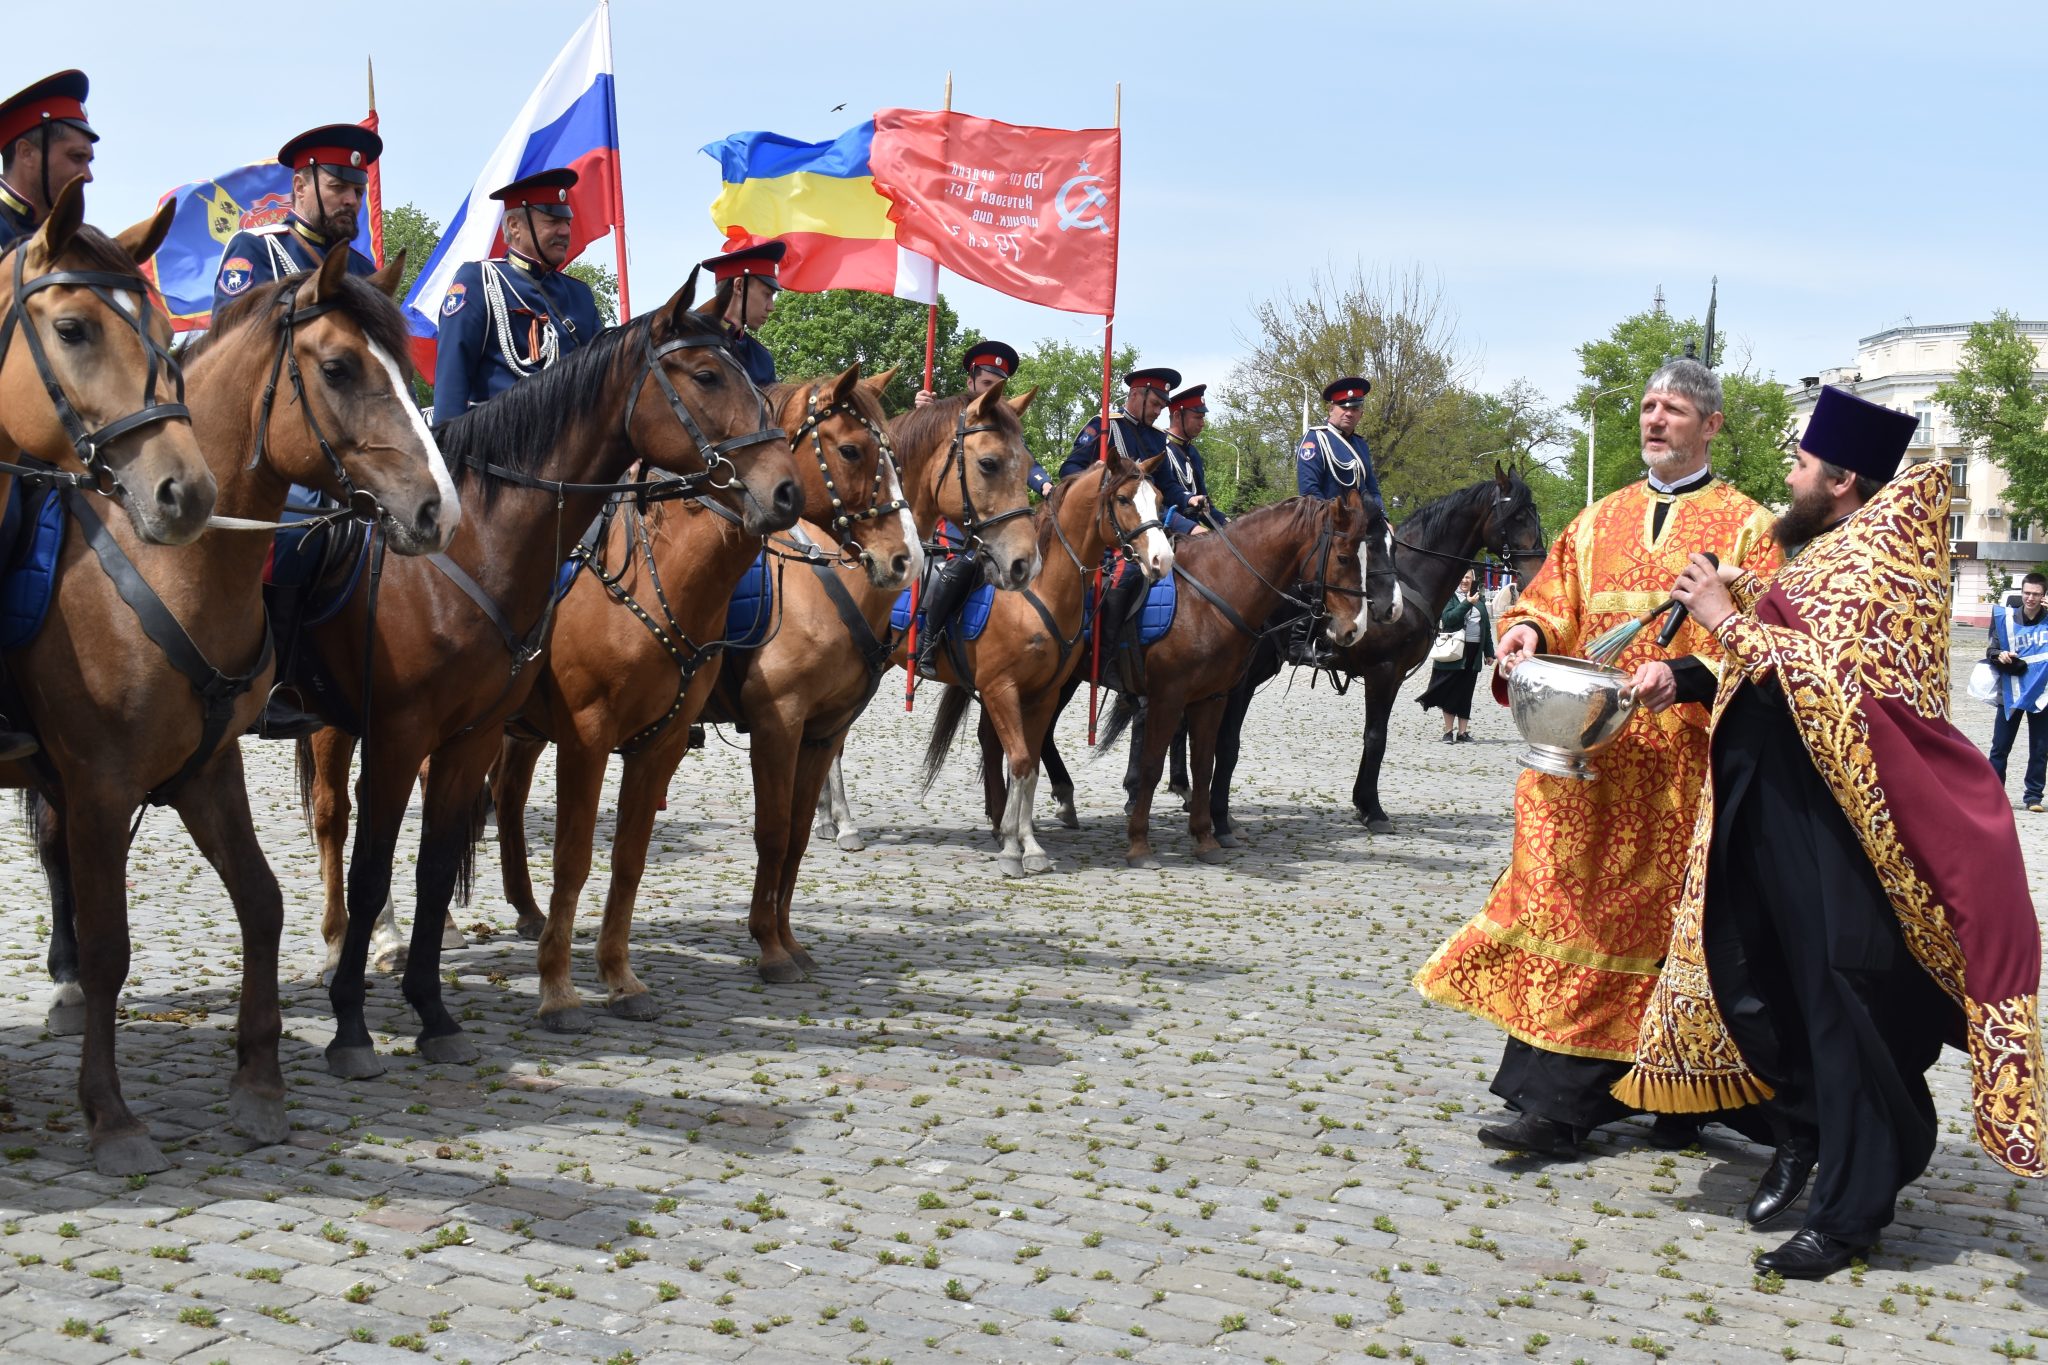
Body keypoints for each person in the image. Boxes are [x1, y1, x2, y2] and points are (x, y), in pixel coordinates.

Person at [1619, 384, 2046, 1280]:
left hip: (1841, 834)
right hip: (1770, 818)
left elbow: (1844, 690)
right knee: (1756, 985)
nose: (1788, 476)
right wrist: (1708, 651)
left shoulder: (1880, 563)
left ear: (1843, 479)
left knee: (1844, 1007)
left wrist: (1728, 619)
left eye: (1802, 464)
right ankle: (1806, 1136)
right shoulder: (1828, 551)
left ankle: (1851, 1212)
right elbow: (1785, 649)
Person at [1413, 357, 1781, 1159]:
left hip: (1684, 776)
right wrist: (1525, 633)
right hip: (1591, 766)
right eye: (1648, 407)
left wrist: (1681, 673)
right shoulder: (1599, 518)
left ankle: (1668, 1092)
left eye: (1674, 409)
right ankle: (1552, 1101)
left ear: (1711, 425)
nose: (1654, 420)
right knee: (1568, 914)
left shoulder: (1752, 527)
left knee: (1671, 932)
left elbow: (1768, 646)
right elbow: (1553, 598)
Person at [0, 70, 97, 759]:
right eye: (76, 156)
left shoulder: (71, 242)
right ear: (28, 151)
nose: (89, 169)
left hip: (62, 440)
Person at [431, 168, 603, 417]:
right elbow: (452, 379)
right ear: (514, 225)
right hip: (495, 447)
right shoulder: (479, 281)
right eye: (552, 221)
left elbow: (602, 380)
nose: (566, 231)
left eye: (567, 222)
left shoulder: (579, 295)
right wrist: (446, 448)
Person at [212, 123, 381, 315]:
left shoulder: (366, 271)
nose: (352, 200)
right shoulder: (258, 247)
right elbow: (230, 336)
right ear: (300, 187)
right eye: (338, 187)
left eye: (358, 192)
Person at [917, 340, 1051, 497]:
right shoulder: (945, 415)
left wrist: (1044, 484)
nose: (992, 391)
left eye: (997, 386)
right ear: (970, 382)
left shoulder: (1004, 424)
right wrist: (922, 416)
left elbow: (1022, 459)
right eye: (986, 383)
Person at [0, 70, 95, 247]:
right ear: (26, 153)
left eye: (88, 161)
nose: (88, 176)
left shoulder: (77, 242)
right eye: (76, 157)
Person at [1987, 571, 2048, 812]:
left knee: (2040, 747)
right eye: (2027, 593)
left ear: (2044, 595)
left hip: (2042, 692)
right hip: (2010, 690)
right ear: (2021, 593)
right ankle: (1993, 794)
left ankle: (2033, 796)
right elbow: (1991, 650)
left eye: (2036, 594)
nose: (2030, 598)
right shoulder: (2006, 618)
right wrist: (1998, 655)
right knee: (2000, 746)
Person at [1416, 570, 1492, 741]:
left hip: (1474, 652)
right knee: (1452, 692)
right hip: (1455, 651)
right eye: (1462, 576)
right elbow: (1449, 619)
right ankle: (1448, 731)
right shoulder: (1450, 597)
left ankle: (1463, 733)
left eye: (1468, 577)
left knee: (1466, 692)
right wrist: (1466, 603)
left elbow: (1486, 628)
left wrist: (1489, 653)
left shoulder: (1479, 599)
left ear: (1473, 580)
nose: (1464, 580)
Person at [694, 240, 782, 387]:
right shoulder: (690, 345)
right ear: (739, 286)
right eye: (766, 294)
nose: (771, 307)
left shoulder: (762, 359)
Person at [1297, 377, 1382, 504]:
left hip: (1362, 519)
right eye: (1344, 408)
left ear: (1361, 414)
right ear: (1331, 410)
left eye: (1354, 409)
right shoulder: (1315, 439)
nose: (1349, 413)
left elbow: (1373, 490)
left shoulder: (1361, 444)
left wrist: (1384, 520)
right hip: (1328, 520)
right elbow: (1309, 492)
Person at [1159, 384, 1220, 536]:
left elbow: (1204, 506)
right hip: (1167, 532)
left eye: (1203, 418)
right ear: (1178, 416)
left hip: (1193, 532)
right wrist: (1190, 528)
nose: (1202, 423)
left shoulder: (1193, 453)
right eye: (1198, 417)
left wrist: (1231, 525)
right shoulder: (1159, 448)